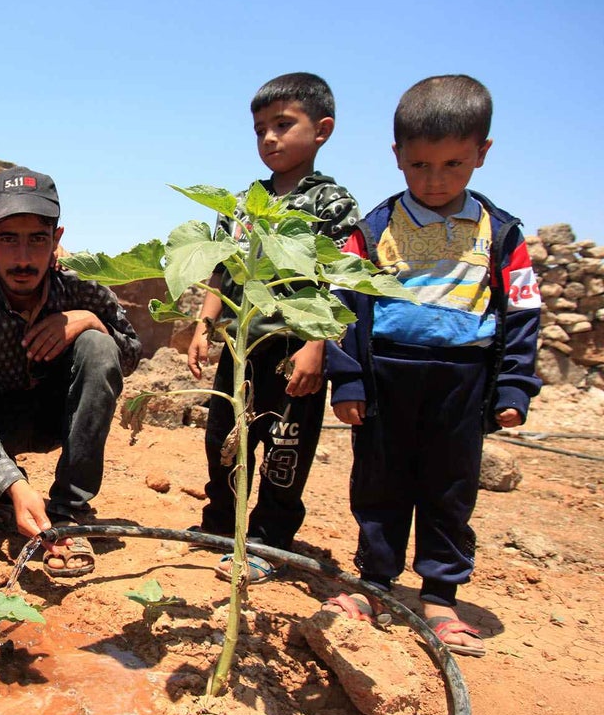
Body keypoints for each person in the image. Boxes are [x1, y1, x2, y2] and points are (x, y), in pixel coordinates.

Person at [324, 75, 542, 657]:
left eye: (452, 164)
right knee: (380, 481)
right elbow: (341, 307)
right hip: (387, 375)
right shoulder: (372, 230)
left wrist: (514, 386)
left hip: (462, 381)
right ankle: (374, 582)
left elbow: (522, 311)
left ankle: (441, 594)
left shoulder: (503, 234)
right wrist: (347, 377)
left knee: (450, 486)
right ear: (396, 157)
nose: (435, 179)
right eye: (419, 165)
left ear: (482, 154)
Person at [0, 166, 142, 577]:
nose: (23, 258)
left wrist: (89, 320)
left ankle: (70, 511)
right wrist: (12, 483)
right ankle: (10, 490)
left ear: (56, 240)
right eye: (8, 239)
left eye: (37, 240)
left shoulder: (80, 289)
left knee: (99, 345)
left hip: (54, 416)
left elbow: (130, 354)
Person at [186, 72, 360, 584]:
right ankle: (222, 525)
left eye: (283, 125)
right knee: (224, 438)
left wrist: (314, 345)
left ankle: (268, 539)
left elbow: (336, 280)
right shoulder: (243, 203)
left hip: (291, 350)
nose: (269, 138)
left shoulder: (331, 204)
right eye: (260, 127)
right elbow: (222, 268)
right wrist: (204, 322)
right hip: (241, 345)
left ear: (322, 129)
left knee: (285, 450)